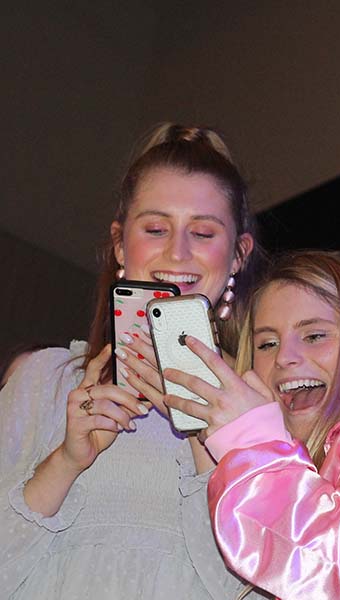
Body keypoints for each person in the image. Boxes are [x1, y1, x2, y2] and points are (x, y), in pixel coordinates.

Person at [0, 123, 264, 599]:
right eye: (156, 228)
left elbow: (253, 586)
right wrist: (64, 462)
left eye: (203, 232)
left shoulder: (260, 411)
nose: (177, 252)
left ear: (238, 254)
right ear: (121, 244)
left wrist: (206, 439)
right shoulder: (43, 379)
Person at [163, 249, 340, 600]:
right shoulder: (304, 459)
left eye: (315, 336)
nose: (284, 357)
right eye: (267, 343)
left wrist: (252, 442)